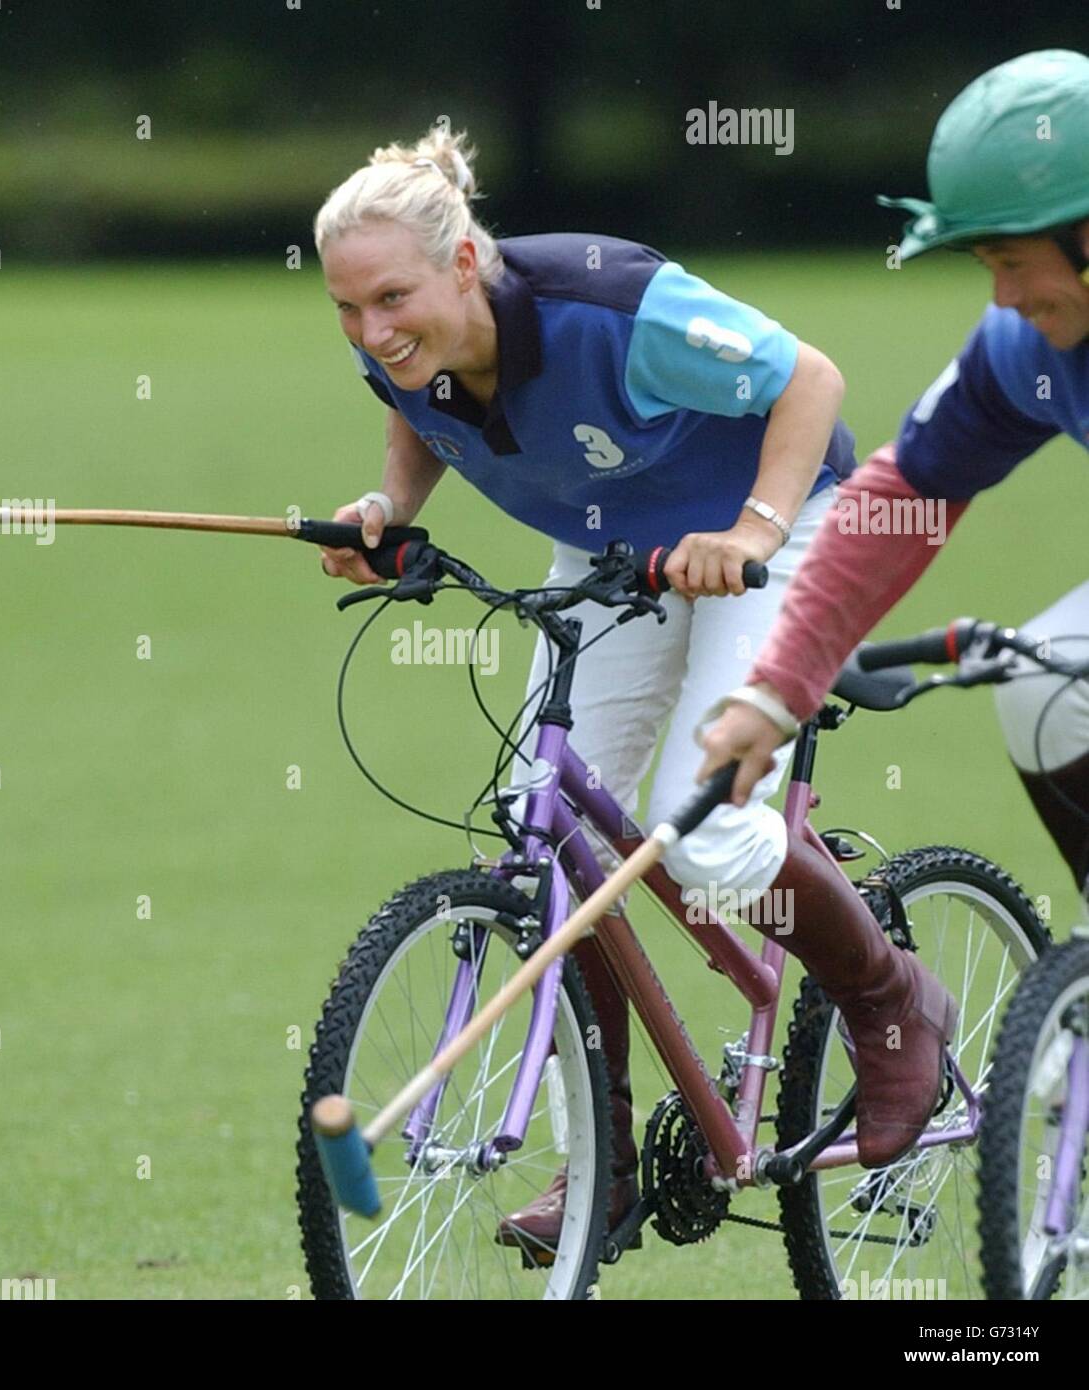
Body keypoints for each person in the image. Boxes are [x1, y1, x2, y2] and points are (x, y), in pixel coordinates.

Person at [312, 122, 948, 1254]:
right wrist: (388, 518)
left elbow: (810, 377)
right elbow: (413, 407)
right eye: (349, 310)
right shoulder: (394, 334)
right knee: (540, 828)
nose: (372, 331)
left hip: (781, 523)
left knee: (699, 834)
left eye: (392, 300)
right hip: (613, 552)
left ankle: (892, 1000)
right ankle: (598, 1156)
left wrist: (750, 530)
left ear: (466, 264)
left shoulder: (610, 304)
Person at [700, 49, 1089, 930]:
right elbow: (897, 502)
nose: (1001, 294)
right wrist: (774, 693)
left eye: (1012, 260)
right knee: (1042, 692)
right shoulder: (1019, 351)